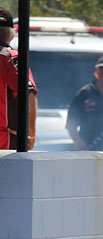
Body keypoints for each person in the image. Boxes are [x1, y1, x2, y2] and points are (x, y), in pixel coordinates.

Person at [0, 7, 37, 150]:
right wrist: (30, 134)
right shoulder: (11, 58)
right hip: (5, 143)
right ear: (11, 35)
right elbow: (28, 93)